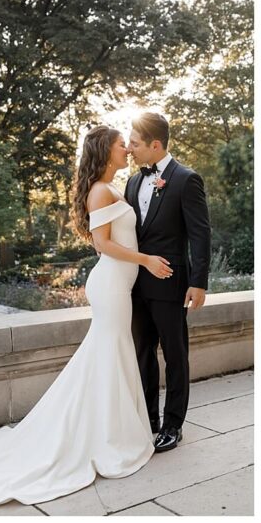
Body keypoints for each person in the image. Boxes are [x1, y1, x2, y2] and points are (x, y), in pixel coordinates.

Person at [0, 126, 163, 505]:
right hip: (111, 285)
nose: (127, 150)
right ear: (105, 151)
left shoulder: (114, 187)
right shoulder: (101, 192)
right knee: (110, 352)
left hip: (119, 285)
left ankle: (112, 429)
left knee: (108, 355)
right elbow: (103, 244)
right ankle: (106, 436)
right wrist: (146, 260)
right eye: (121, 145)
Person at [124, 112, 210, 452]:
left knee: (175, 355)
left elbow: (200, 233)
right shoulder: (132, 181)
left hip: (172, 283)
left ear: (154, 145)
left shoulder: (186, 179)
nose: (129, 149)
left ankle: (174, 425)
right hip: (136, 285)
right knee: (142, 352)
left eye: (134, 143)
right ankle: (150, 418)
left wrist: (199, 282)